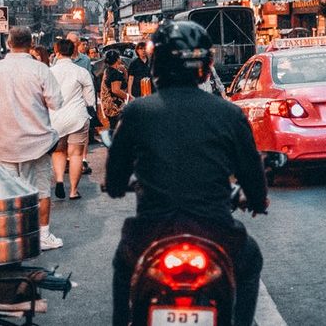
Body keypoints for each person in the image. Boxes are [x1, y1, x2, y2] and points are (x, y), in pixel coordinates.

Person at [105, 21, 267, 326]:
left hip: (151, 232)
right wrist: (258, 200)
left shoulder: (137, 112)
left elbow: (115, 177)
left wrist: (116, 186)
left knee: (123, 267)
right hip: (216, 231)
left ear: (156, 64)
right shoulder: (229, 113)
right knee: (251, 259)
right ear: (205, 67)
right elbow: (251, 173)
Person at [0, 26, 65, 250]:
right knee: (41, 190)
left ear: (8, 43)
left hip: (4, 143)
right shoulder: (40, 69)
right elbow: (56, 102)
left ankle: (11, 234)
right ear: (31, 44)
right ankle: (43, 235)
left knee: (7, 192)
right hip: (37, 142)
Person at [49, 38, 94, 200]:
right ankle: (73, 191)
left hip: (55, 117)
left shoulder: (49, 72)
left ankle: (60, 180)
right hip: (77, 117)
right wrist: (91, 110)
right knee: (75, 155)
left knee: (58, 151)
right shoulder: (81, 72)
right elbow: (89, 98)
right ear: (73, 52)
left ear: (57, 52)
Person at [102, 50, 128, 119]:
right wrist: (129, 97)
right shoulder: (115, 73)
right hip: (115, 107)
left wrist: (124, 71)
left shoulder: (107, 70)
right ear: (117, 59)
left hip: (107, 106)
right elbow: (116, 90)